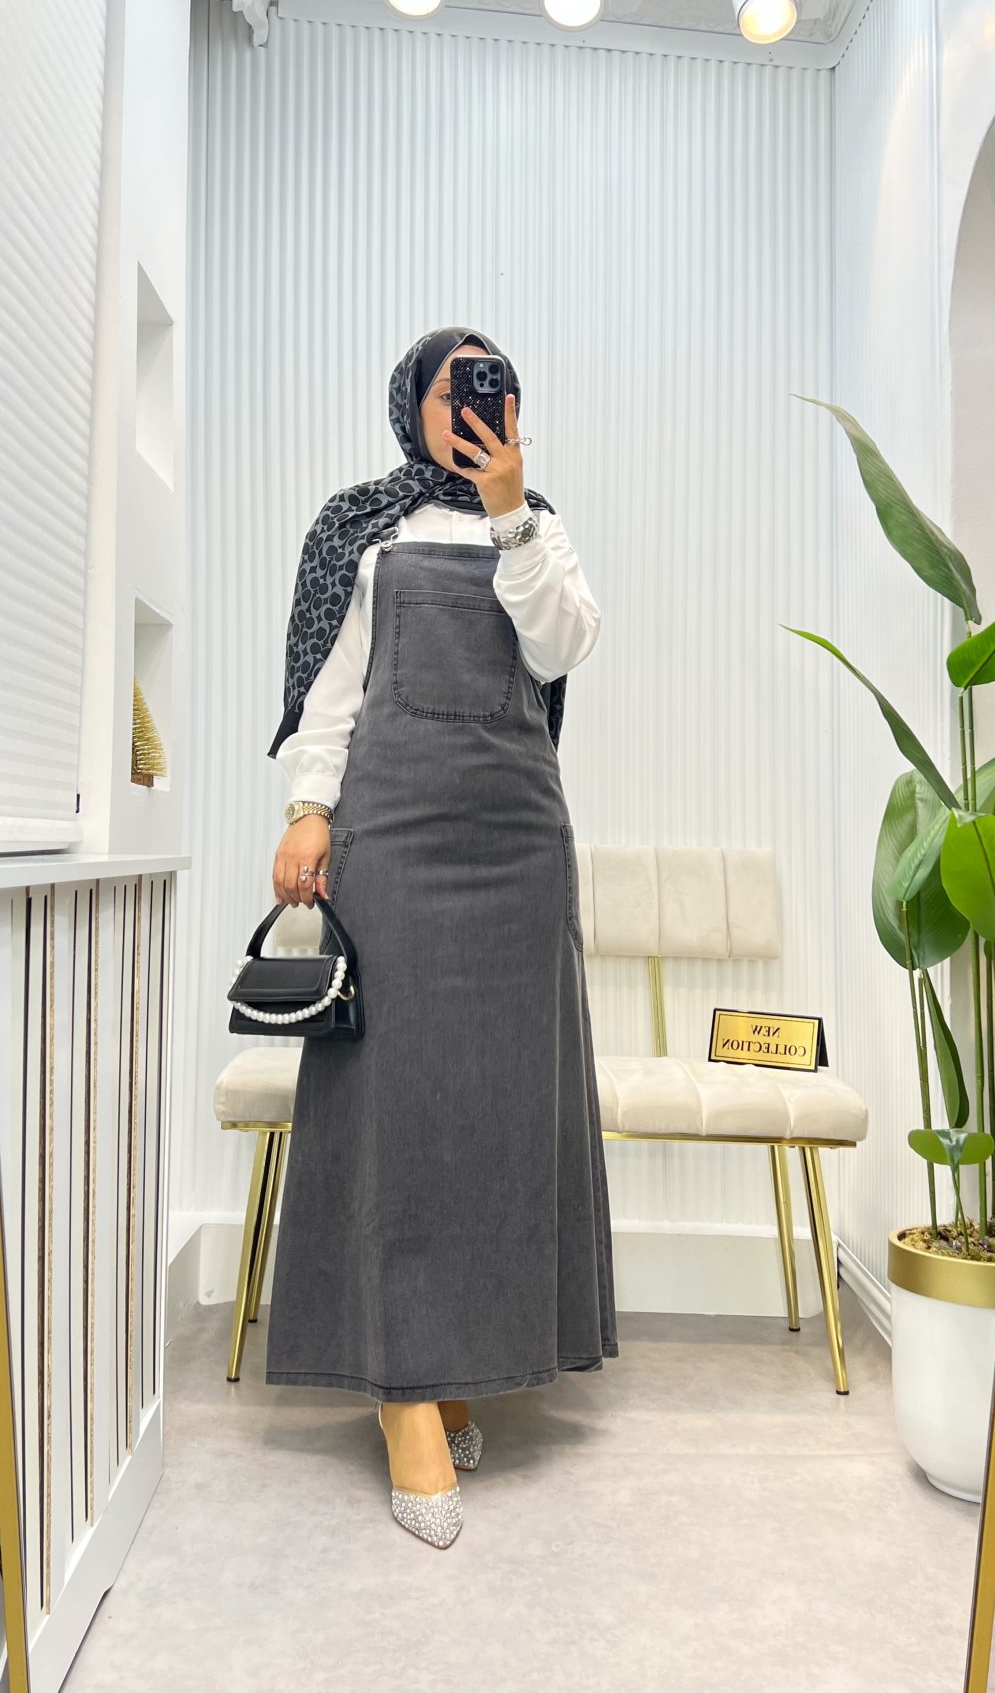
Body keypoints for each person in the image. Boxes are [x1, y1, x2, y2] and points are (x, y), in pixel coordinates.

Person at [264, 327, 618, 1550]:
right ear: (410, 404)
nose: (476, 398)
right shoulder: (361, 527)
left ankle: (458, 1358)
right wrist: (309, 807)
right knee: (399, 1101)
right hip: (398, 829)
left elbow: (562, 644)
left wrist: (512, 508)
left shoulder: (538, 523)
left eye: (493, 381)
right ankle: (404, 1392)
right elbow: (332, 690)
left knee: (496, 1110)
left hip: (516, 835)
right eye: (453, 384)